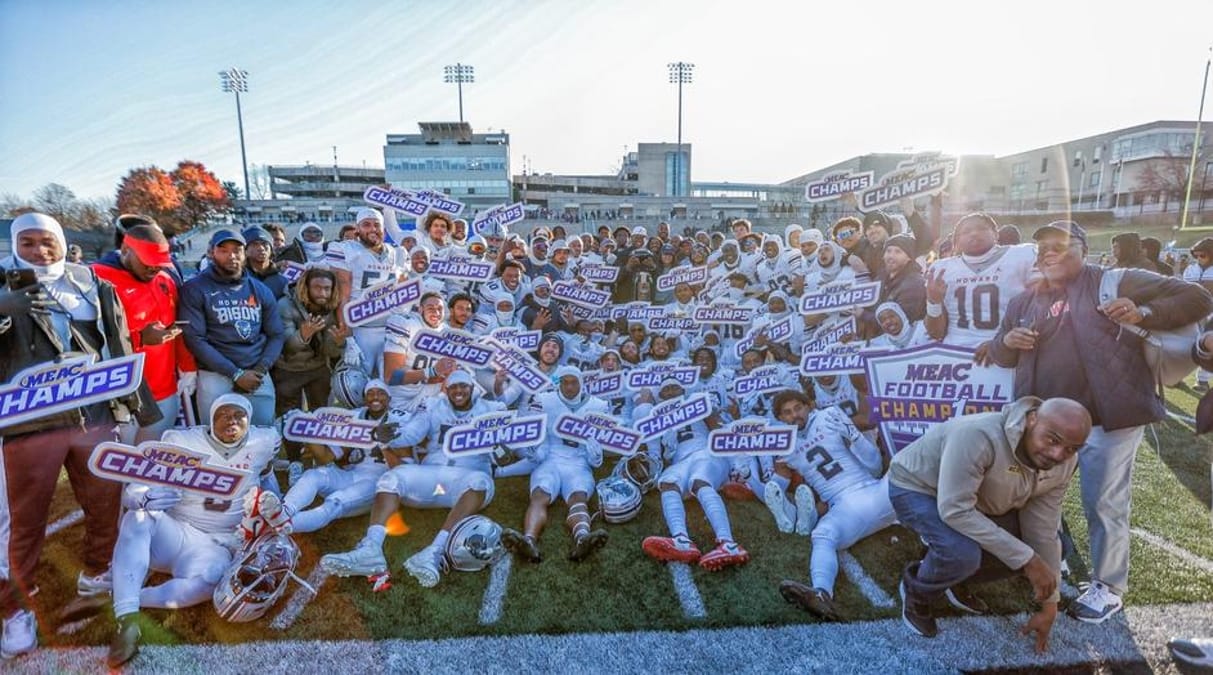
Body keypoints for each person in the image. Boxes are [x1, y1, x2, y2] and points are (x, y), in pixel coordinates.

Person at [988, 221, 1213, 624]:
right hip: (1043, 422)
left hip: (1106, 418)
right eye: (1042, 248)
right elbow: (1001, 352)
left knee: (1103, 503)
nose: (1048, 253)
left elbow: (1197, 296)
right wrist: (1007, 343)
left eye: (1059, 245)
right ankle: (1041, 568)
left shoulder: (1115, 279)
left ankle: (1108, 588)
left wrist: (1145, 311)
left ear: (1083, 249)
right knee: (1032, 500)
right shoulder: (1025, 299)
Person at [0, 213, 159, 660]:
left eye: (47, 241)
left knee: (105, 500)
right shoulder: (4, 285)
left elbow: (119, 343)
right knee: (22, 520)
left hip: (92, 413)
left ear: (62, 240)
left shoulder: (91, 283)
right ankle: (16, 606)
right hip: (27, 423)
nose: (39, 251)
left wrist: (135, 404)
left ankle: (97, 574)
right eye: (27, 243)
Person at [58, 394, 280, 668]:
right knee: (137, 518)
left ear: (249, 419)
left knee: (210, 581)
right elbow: (135, 491)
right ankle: (128, 622)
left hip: (218, 545)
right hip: (176, 532)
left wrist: (277, 510)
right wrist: (143, 498)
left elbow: (268, 479)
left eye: (238, 415)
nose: (231, 421)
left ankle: (119, 597)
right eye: (223, 414)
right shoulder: (181, 442)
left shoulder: (263, 442)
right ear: (210, 419)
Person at [889, 396, 1092, 651]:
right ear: (1031, 420)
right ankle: (916, 589)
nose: (1057, 454)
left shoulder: (1064, 463)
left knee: (1059, 545)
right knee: (962, 553)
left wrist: (1050, 606)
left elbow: (1042, 529)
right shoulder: (978, 435)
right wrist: (1028, 559)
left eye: (1072, 448)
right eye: (1052, 439)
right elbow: (954, 509)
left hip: (978, 500)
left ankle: (952, 575)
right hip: (919, 488)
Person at [320, 370, 501, 588]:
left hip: (467, 477)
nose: (458, 391)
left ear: (472, 389)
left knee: (479, 483)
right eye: (453, 387)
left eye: (463, 386)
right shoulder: (432, 406)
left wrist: (506, 451)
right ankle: (371, 549)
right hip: (433, 474)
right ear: (446, 389)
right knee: (390, 478)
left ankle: (434, 551)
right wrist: (391, 437)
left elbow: (521, 444)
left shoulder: (492, 410)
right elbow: (413, 434)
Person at [772, 390, 896, 622]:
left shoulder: (828, 416)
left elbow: (875, 466)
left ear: (809, 405)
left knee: (902, 466)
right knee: (822, 535)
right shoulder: (782, 442)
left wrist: (854, 435)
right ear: (780, 419)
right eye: (787, 413)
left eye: (798, 408)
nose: (794, 416)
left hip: (873, 489)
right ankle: (821, 594)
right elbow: (777, 485)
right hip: (841, 507)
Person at [93, 222, 197, 443]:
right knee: (121, 464)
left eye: (159, 264)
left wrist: (187, 366)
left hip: (164, 389)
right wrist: (139, 338)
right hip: (119, 394)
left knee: (154, 459)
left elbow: (175, 326)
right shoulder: (97, 278)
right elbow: (88, 338)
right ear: (125, 251)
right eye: (148, 262)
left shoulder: (166, 279)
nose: (154, 268)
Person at [501, 367, 610, 563]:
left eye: (573, 382)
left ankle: (582, 538)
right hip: (551, 458)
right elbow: (542, 440)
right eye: (565, 382)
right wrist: (536, 452)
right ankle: (529, 540)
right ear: (559, 383)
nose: (569, 386)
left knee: (578, 497)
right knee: (539, 495)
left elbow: (596, 456)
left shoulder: (598, 406)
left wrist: (595, 456)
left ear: (581, 382)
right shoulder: (545, 400)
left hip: (578, 462)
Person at [179, 229, 286, 426]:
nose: (232, 256)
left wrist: (261, 368)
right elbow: (195, 340)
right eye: (224, 250)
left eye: (237, 250)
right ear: (211, 253)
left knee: (264, 434)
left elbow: (276, 334)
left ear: (244, 253)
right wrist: (235, 373)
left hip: (256, 374)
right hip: (216, 375)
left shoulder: (260, 289)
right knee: (215, 439)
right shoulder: (195, 288)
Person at [273, 266, 346, 473]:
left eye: (327, 288)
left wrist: (338, 343)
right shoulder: (285, 306)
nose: (322, 293)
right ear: (306, 287)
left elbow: (330, 352)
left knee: (322, 413)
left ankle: (319, 456)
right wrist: (303, 335)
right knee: (290, 417)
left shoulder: (331, 307)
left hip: (318, 368)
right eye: (317, 288)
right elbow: (286, 347)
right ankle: (295, 460)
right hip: (288, 369)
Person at [326, 208, 407, 377]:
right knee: (356, 384)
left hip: (390, 330)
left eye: (377, 225)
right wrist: (348, 338)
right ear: (357, 229)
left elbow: (402, 294)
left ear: (383, 229)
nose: (372, 229)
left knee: (394, 385)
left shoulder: (396, 253)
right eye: (366, 225)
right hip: (361, 330)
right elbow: (343, 297)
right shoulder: (347, 250)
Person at [242, 227, 288, 300]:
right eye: (254, 244)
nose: (261, 248)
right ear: (245, 250)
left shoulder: (283, 280)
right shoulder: (238, 278)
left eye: (265, 244)